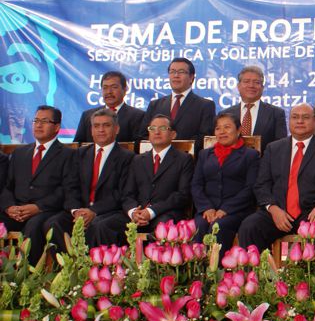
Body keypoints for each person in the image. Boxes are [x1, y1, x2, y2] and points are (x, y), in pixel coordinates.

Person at [238, 104, 315, 253]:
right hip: (278, 211)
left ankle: (311, 269)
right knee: (250, 226)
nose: (300, 121)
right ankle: (258, 268)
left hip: (312, 212)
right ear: (289, 121)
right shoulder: (273, 149)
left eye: (305, 117)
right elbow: (261, 185)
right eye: (295, 117)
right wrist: (273, 208)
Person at [45, 108, 134, 249]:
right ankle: (69, 262)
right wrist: (76, 211)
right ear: (91, 130)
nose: (101, 130)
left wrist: (94, 211)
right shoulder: (79, 154)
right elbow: (70, 187)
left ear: (116, 129)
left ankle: (92, 263)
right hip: (80, 211)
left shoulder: (127, 157)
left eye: (106, 125)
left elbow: (122, 193)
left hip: (109, 212)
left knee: (98, 226)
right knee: (53, 223)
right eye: (96, 126)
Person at [0, 106, 75, 262]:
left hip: (45, 210)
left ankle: (29, 273)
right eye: (36, 121)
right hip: (17, 211)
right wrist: (9, 207)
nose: (39, 125)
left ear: (57, 127)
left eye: (45, 121)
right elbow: (8, 186)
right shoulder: (20, 153)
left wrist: (38, 207)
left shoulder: (67, 154)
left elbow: (66, 190)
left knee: (34, 226)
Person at [191, 113, 260, 253]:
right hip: (207, 209)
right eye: (218, 128)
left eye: (227, 127)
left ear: (239, 130)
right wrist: (207, 207)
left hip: (236, 210)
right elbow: (196, 185)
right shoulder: (205, 154)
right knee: (199, 225)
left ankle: (217, 265)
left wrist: (226, 209)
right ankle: (198, 266)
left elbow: (251, 188)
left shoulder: (250, 155)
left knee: (218, 226)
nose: (222, 132)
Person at [124, 114, 194, 233]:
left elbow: (182, 195)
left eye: (162, 128)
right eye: (152, 128)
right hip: (138, 214)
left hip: (166, 213)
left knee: (162, 226)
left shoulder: (184, 159)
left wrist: (151, 211)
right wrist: (133, 212)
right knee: (110, 225)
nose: (156, 132)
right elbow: (127, 194)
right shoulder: (137, 160)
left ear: (173, 134)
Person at [139, 58, 215, 155]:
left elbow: (204, 139)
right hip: (157, 160)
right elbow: (143, 136)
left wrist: (176, 153)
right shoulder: (155, 105)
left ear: (191, 77)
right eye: (172, 72)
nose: (176, 75)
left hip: (189, 160)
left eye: (181, 72)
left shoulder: (205, 105)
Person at [220, 65, 287, 153]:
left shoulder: (276, 113)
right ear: (238, 86)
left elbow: (281, 147)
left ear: (262, 88)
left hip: (264, 161)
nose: (251, 85)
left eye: (256, 82)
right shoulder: (225, 114)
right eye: (246, 81)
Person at [73, 71, 145, 143]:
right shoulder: (87, 115)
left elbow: (139, 146)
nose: (109, 92)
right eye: (105, 88)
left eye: (114, 87)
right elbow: (77, 145)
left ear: (124, 90)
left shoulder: (138, 116)